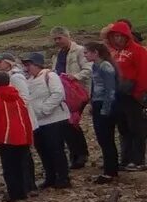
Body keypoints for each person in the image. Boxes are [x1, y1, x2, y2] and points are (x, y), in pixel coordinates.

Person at [22, 53, 71, 191]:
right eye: (25, 65)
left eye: (29, 64)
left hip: (54, 119)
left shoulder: (50, 76)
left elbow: (58, 94)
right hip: (38, 122)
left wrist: (45, 109)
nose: (27, 68)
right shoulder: (29, 80)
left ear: (37, 64)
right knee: (43, 151)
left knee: (56, 149)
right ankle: (50, 177)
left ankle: (62, 177)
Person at [0, 71, 36, 201]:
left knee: (9, 166)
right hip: (21, 134)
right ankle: (23, 190)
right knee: (21, 164)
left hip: (6, 136)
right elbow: (25, 115)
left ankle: (13, 193)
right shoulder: (17, 95)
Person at [105, 20, 147, 171]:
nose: (117, 39)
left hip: (133, 94)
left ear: (126, 36)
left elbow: (143, 73)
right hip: (118, 95)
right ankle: (126, 158)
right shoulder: (113, 52)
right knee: (123, 128)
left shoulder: (138, 50)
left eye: (120, 36)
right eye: (114, 36)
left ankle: (139, 159)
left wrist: (139, 93)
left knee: (137, 128)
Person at [52, 27, 91, 169]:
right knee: (66, 123)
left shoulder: (79, 51)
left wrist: (75, 77)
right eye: (55, 39)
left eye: (59, 38)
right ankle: (75, 153)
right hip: (64, 93)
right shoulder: (57, 55)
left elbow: (88, 68)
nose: (57, 41)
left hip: (77, 92)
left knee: (72, 121)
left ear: (68, 36)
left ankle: (81, 154)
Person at [87, 41, 121, 181]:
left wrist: (105, 109)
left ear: (96, 52)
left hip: (105, 105)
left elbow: (110, 90)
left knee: (107, 138)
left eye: (87, 52)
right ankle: (110, 168)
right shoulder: (95, 66)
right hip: (97, 103)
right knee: (102, 139)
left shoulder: (105, 66)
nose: (85, 55)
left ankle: (110, 170)